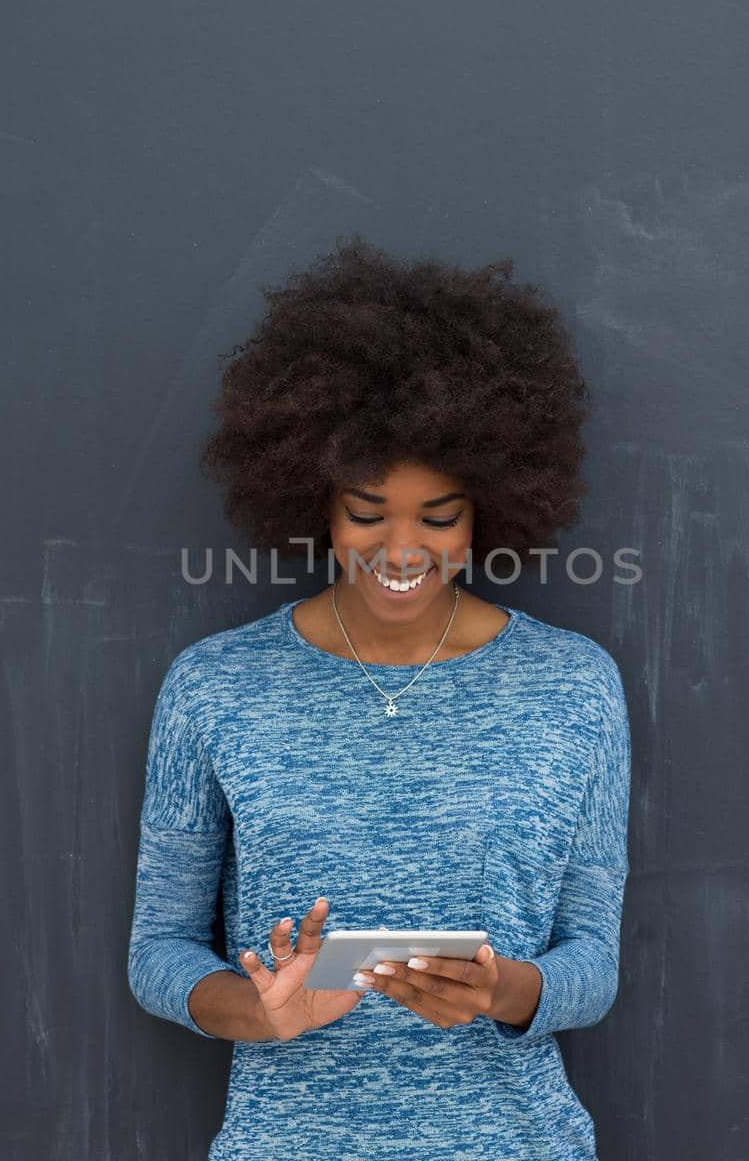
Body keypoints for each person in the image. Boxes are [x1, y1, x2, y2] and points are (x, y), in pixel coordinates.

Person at [127, 235, 632, 1159]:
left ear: (486, 511)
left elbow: (593, 960)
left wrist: (502, 991)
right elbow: (158, 951)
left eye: (439, 518)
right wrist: (256, 1013)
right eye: (368, 514)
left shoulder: (573, 686)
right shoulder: (215, 686)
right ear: (315, 502)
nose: (402, 551)